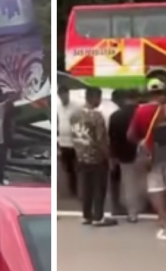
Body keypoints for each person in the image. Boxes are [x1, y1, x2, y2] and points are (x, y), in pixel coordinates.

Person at [128, 79, 166, 241]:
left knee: (155, 188)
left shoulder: (140, 111)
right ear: (163, 93)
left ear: (148, 94)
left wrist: (142, 141)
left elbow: (131, 135)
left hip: (152, 153)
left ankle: (164, 221)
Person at [71, 86, 114, 226]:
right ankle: (98, 217)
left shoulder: (75, 114)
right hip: (97, 158)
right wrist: (109, 157)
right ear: (94, 97)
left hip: (81, 156)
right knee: (99, 188)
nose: (100, 101)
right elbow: (101, 140)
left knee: (86, 187)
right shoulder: (96, 116)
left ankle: (86, 215)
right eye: (99, 98)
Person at [108, 89, 143, 223]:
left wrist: (113, 156)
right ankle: (144, 206)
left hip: (124, 154)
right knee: (143, 181)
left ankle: (132, 213)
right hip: (143, 152)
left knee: (129, 184)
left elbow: (112, 138)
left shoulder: (116, 116)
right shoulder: (142, 113)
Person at [56, 86, 80, 198]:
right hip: (63, 142)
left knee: (77, 167)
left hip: (75, 143)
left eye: (65, 94)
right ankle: (71, 189)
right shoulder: (58, 107)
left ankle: (77, 189)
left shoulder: (76, 107)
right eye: (61, 95)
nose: (64, 97)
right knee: (68, 168)